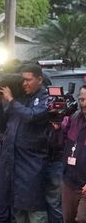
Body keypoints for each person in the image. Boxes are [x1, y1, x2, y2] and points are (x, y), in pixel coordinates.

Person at [0, 64, 51, 223]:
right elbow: (2, 124)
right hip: (14, 163)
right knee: (18, 211)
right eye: (23, 80)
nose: (24, 84)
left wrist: (11, 100)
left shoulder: (45, 98)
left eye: (28, 80)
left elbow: (31, 116)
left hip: (32, 165)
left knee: (35, 212)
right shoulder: (22, 98)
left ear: (39, 79)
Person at [61, 86, 86, 223]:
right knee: (68, 219)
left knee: (81, 219)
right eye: (81, 99)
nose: (83, 103)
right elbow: (59, 143)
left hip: (84, 186)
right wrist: (57, 128)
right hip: (69, 182)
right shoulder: (74, 118)